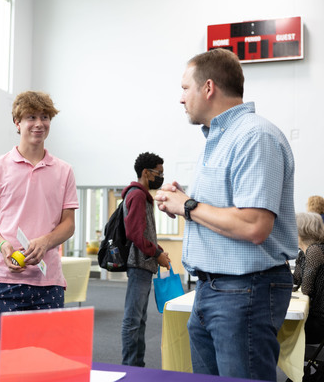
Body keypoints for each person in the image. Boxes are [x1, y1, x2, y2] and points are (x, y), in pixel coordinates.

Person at [154, 48, 297, 381]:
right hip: (214, 290)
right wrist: (183, 202)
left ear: (208, 87)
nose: (181, 98)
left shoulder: (254, 136)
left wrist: (187, 206)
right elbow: (222, 212)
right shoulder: (221, 139)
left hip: (244, 291)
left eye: (185, 88)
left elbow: (254, 225)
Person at [0, 90, 79, 381]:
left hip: (48, 282)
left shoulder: (64, 171)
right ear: (17, 122)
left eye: (45, 117)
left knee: (42, 368)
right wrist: (3, 244)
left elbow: (68, 224)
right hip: (4, 280)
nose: (39, 123)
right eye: (31, 117)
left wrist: (45, 242)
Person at [120, 152, 171, 367]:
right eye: (158, 173)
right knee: (133, 319)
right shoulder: (138, 195)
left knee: (139, 318)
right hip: (139, 264)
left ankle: (136, 365)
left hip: (144, 263)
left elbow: (142, 232)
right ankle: (131, 367)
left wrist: (158, 251)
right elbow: (134, 233)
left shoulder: (140, 195)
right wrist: (156, 254)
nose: (160, 177)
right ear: (145, 173)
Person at [293, 212, 324, 344]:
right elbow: (295, 281)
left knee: (275, 327)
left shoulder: (314, 251)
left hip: (319, 321)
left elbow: (306, 289)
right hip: (315, 315)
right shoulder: (304, 252)